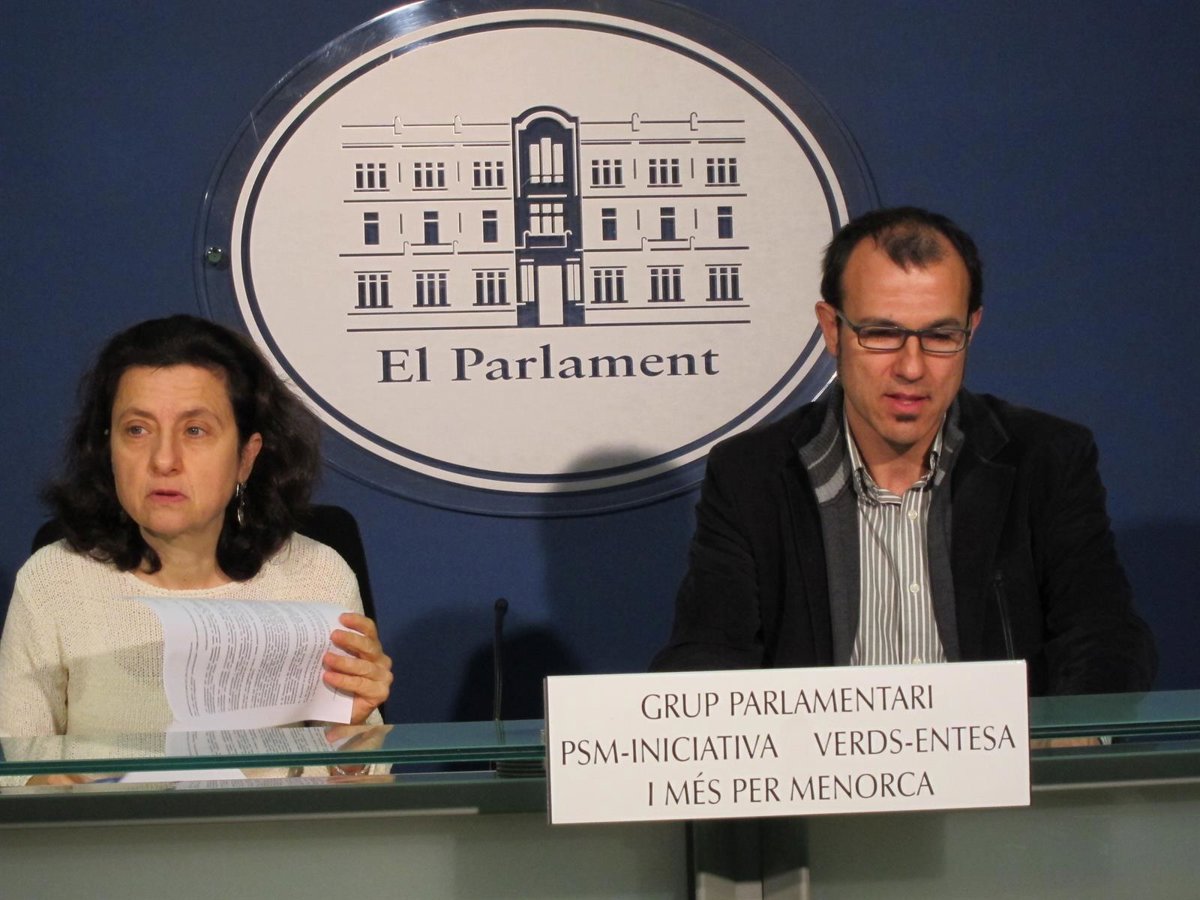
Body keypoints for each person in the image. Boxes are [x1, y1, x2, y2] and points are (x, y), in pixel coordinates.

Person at [652, 207, 1156, 695]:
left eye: (940, 335)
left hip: (1000, 754)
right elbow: (707, 654)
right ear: (832, 329)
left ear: (972, 329)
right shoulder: (752, 476)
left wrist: (1070, 734)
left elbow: (1105, 637)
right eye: (882, 333)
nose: (912, 368)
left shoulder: (1045, 460)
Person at [0, 315, 393, 742]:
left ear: (246, 457)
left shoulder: (315, 577)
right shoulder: (53, 583)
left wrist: (348, 729)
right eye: (137, 430)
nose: (163, 460)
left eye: (194, 430)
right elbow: (17, 768)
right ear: (108, 447)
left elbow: (360, 777)